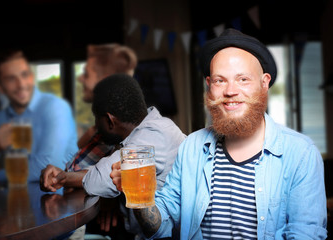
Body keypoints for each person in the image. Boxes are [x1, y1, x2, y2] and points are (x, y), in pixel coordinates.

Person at [110, 28, 327, 239]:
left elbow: (305, 234)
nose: (230, 91)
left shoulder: (301, 153)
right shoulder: (191, 147)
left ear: (264, 83)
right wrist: (139, 197)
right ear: (209, 86)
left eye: (243, 79)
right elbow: (159, 225)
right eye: (219, 80)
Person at [40, 73, 186, 238]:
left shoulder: (153, 135)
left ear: (110, 120)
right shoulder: (153, 129)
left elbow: (101, 179)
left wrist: (62, 178)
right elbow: (105, 171)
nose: (96, 126)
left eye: (97, 119)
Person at [0, 50, 78, 182]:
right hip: (9, 199)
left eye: (24, 75)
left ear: (32, 77)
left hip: (57, 199)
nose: (21, 85)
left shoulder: (56, 107)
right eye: (11, 79)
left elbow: (48, 167)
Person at [76, 43, 138, 150]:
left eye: (86, 74)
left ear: (106, 81)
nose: (80, 78)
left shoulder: (120, 137)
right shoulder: (96, 131)